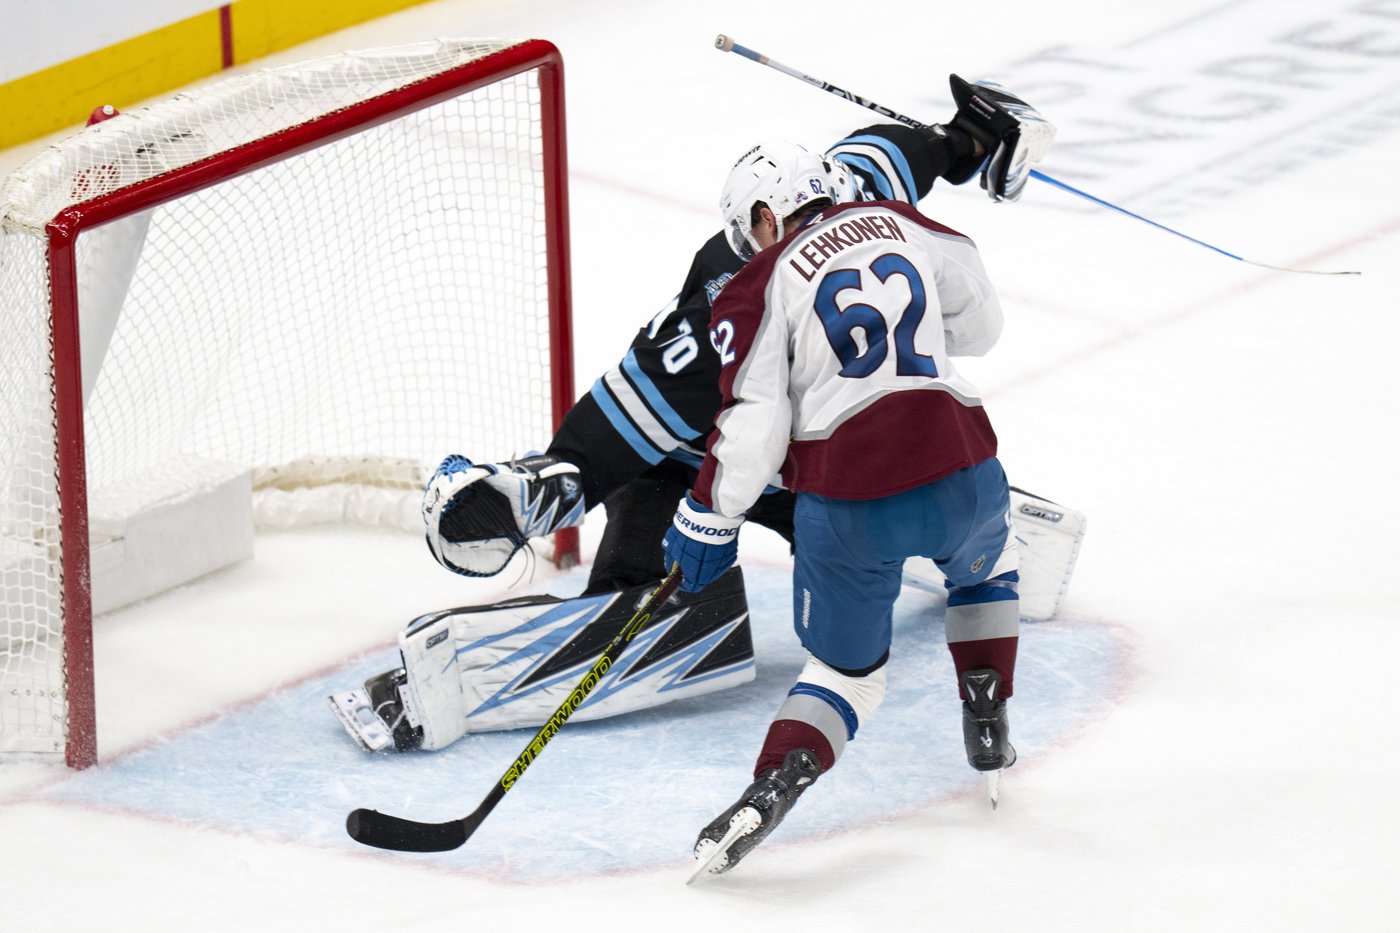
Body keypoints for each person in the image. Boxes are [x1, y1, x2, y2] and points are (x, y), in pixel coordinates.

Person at [665, 85, 1046, 877]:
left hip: (850, 509)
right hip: (965, 473)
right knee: (987, 572)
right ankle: (987, 705)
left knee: (845, 674)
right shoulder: (909, 223)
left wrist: (708, 520)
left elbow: (753, 430)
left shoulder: (757, 283)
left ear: (767, 219)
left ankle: (772, 787)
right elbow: (982, 326)